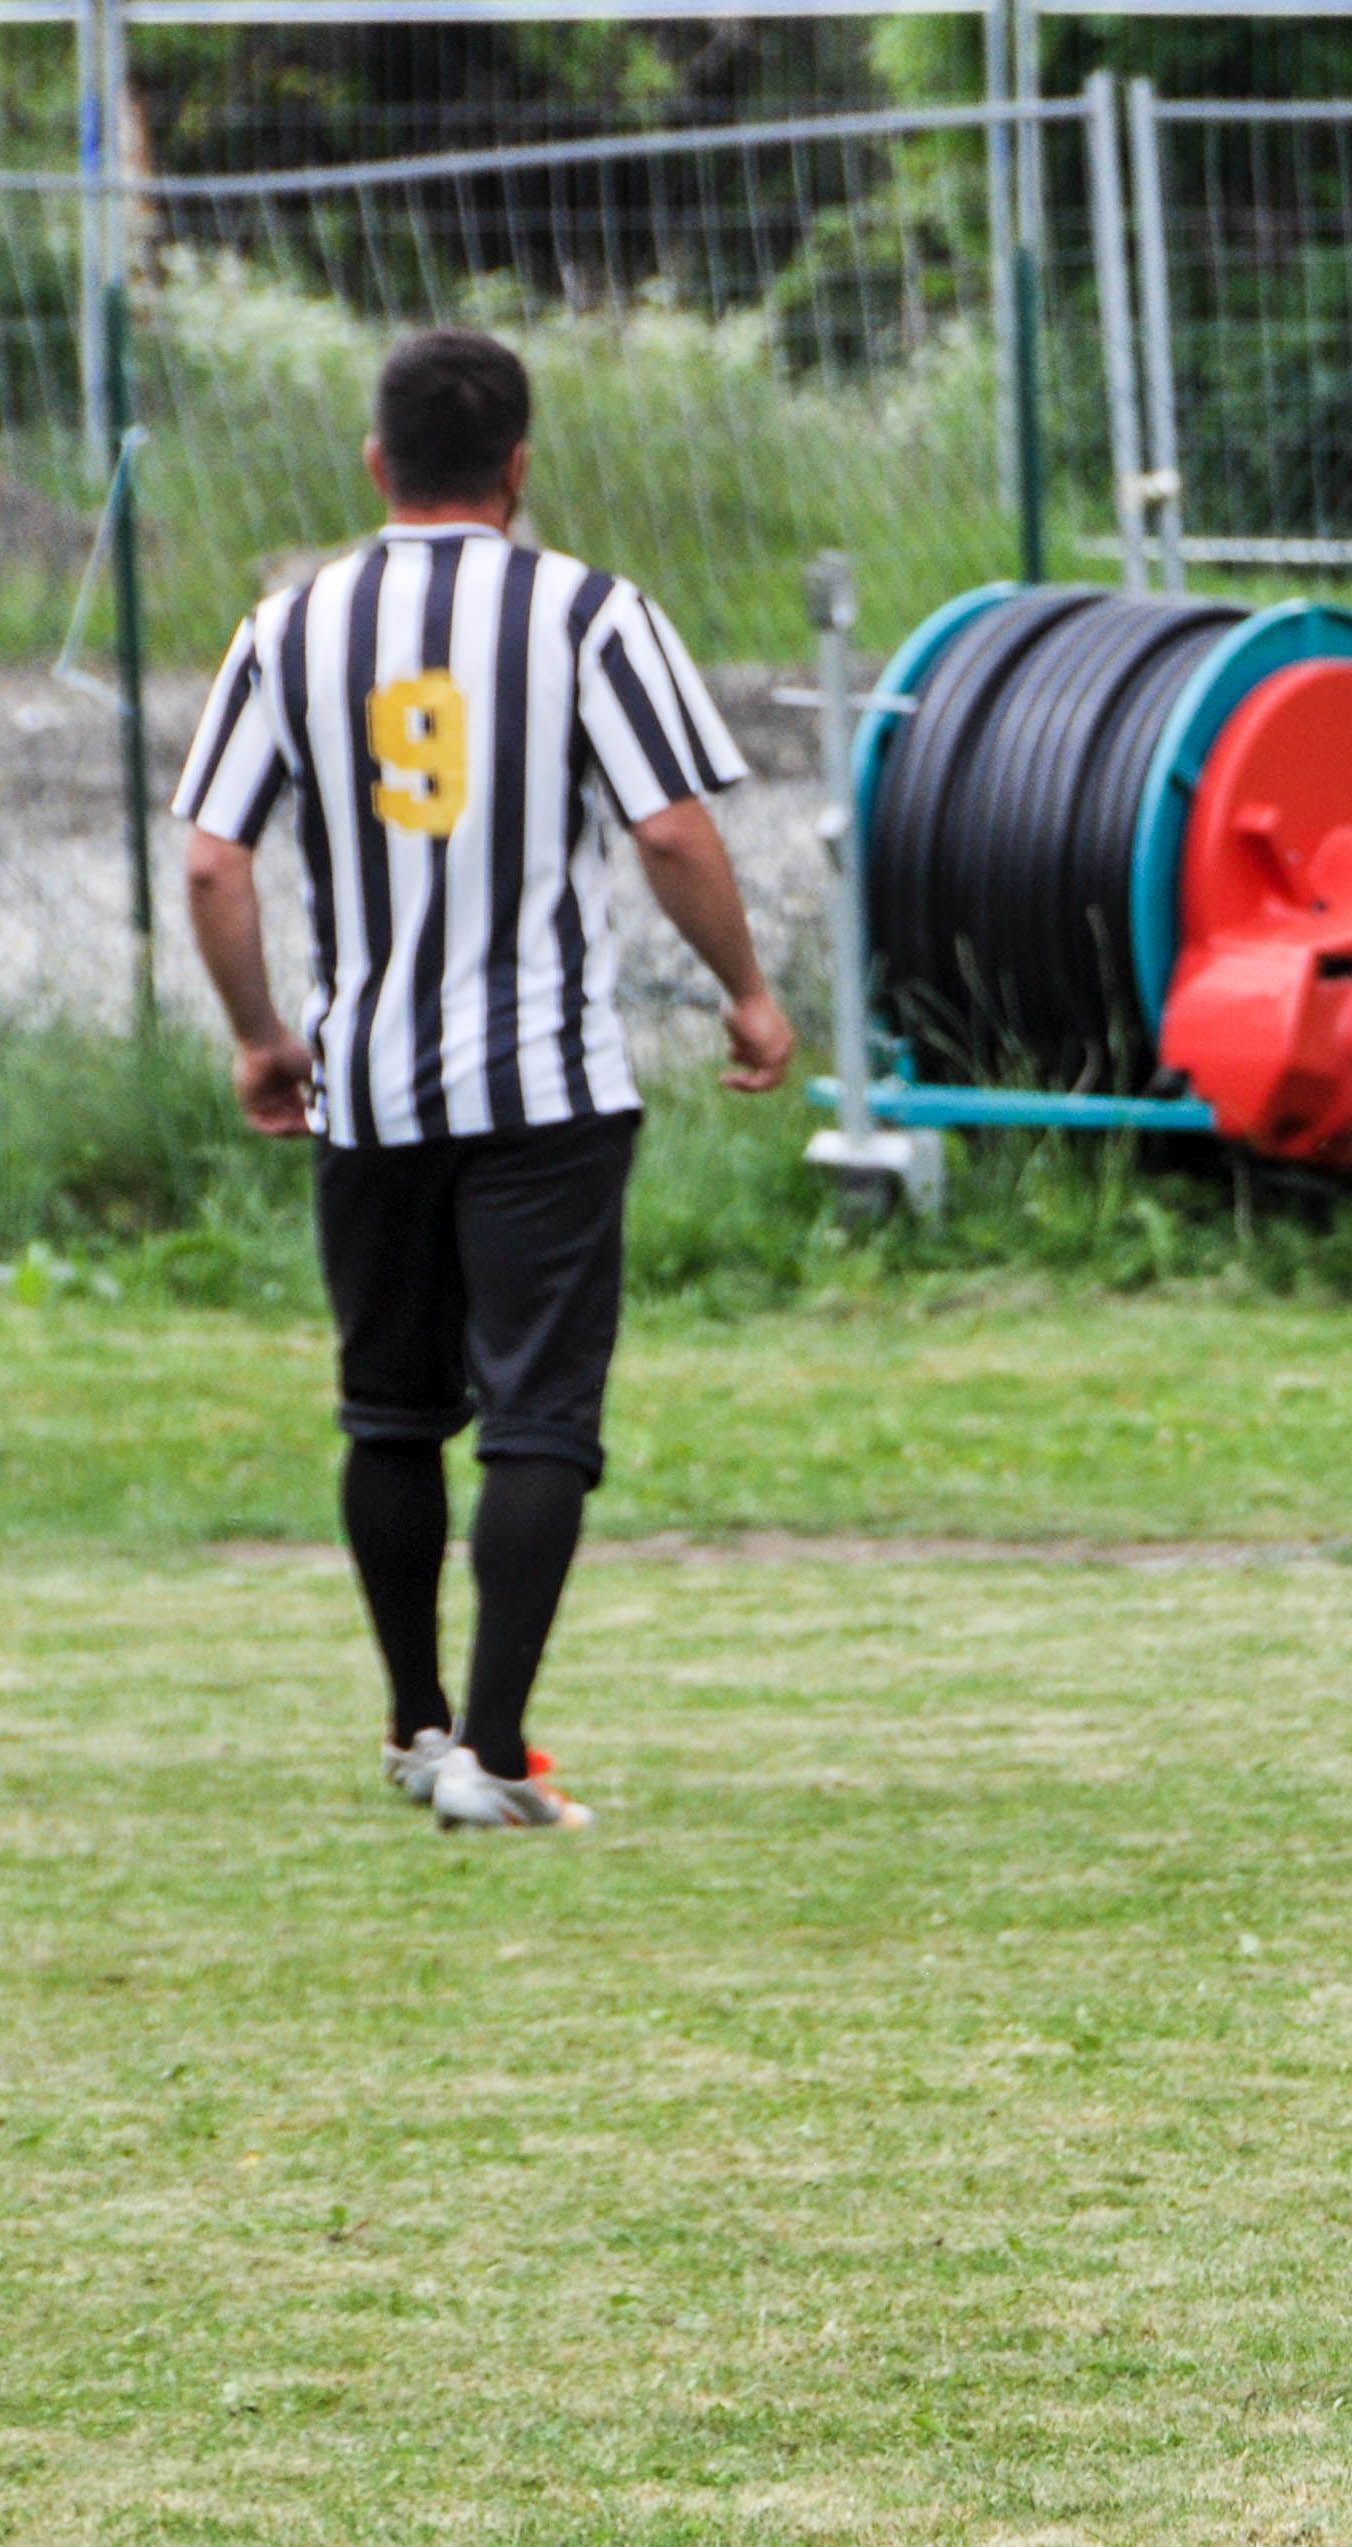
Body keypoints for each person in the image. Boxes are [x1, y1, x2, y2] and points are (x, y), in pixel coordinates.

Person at [173, 327, 791, 1834]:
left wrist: (262, 1034)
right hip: (545, 1087)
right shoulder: (588, 612)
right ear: (518, 465)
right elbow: (668, 830)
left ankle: (416, 1725)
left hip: (371, 1084)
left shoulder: (287, 627)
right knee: (537, 1417)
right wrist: (747, 991)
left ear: (376, 462)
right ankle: (499, 1755)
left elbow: (210, 862)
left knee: (389, 1412)